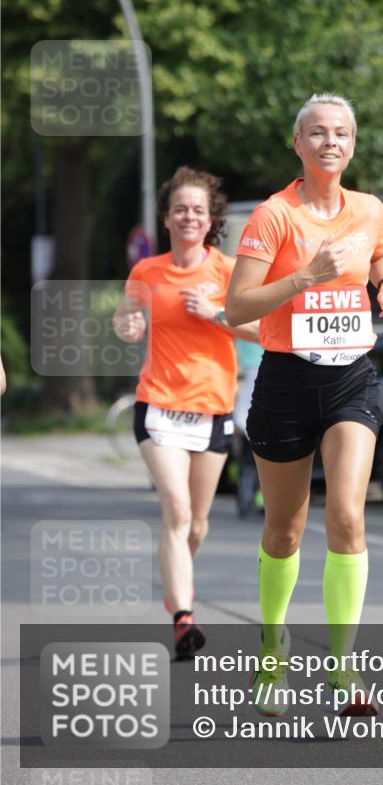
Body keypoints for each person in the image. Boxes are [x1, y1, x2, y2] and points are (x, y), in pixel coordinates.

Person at [226, 93, 383, 716]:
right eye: (318, 133)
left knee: (348, 519)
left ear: (352, 144)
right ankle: (272, 657)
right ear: (297, 144)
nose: (331, 142)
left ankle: (343, 670)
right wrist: (305, 275)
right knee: (284, 531)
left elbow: (379, 252)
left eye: (342, 133)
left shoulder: (369, 209)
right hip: (285, 381)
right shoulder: (273, 216)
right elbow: (237, 308)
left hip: (352, 378)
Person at [113, 166, 258, 659]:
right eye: (180, 209)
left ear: (211, 218)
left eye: (198, 209)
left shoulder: (227, 271)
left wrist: (215, 313)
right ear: (166, 217)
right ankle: (183, 617)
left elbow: (261, 330)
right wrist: (128, 323)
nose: (189, 216)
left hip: (212, 410)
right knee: (175, 511)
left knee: (196, 525)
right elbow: (126, 319)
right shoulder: (146, 272)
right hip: (158, 405)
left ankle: (177, 586)